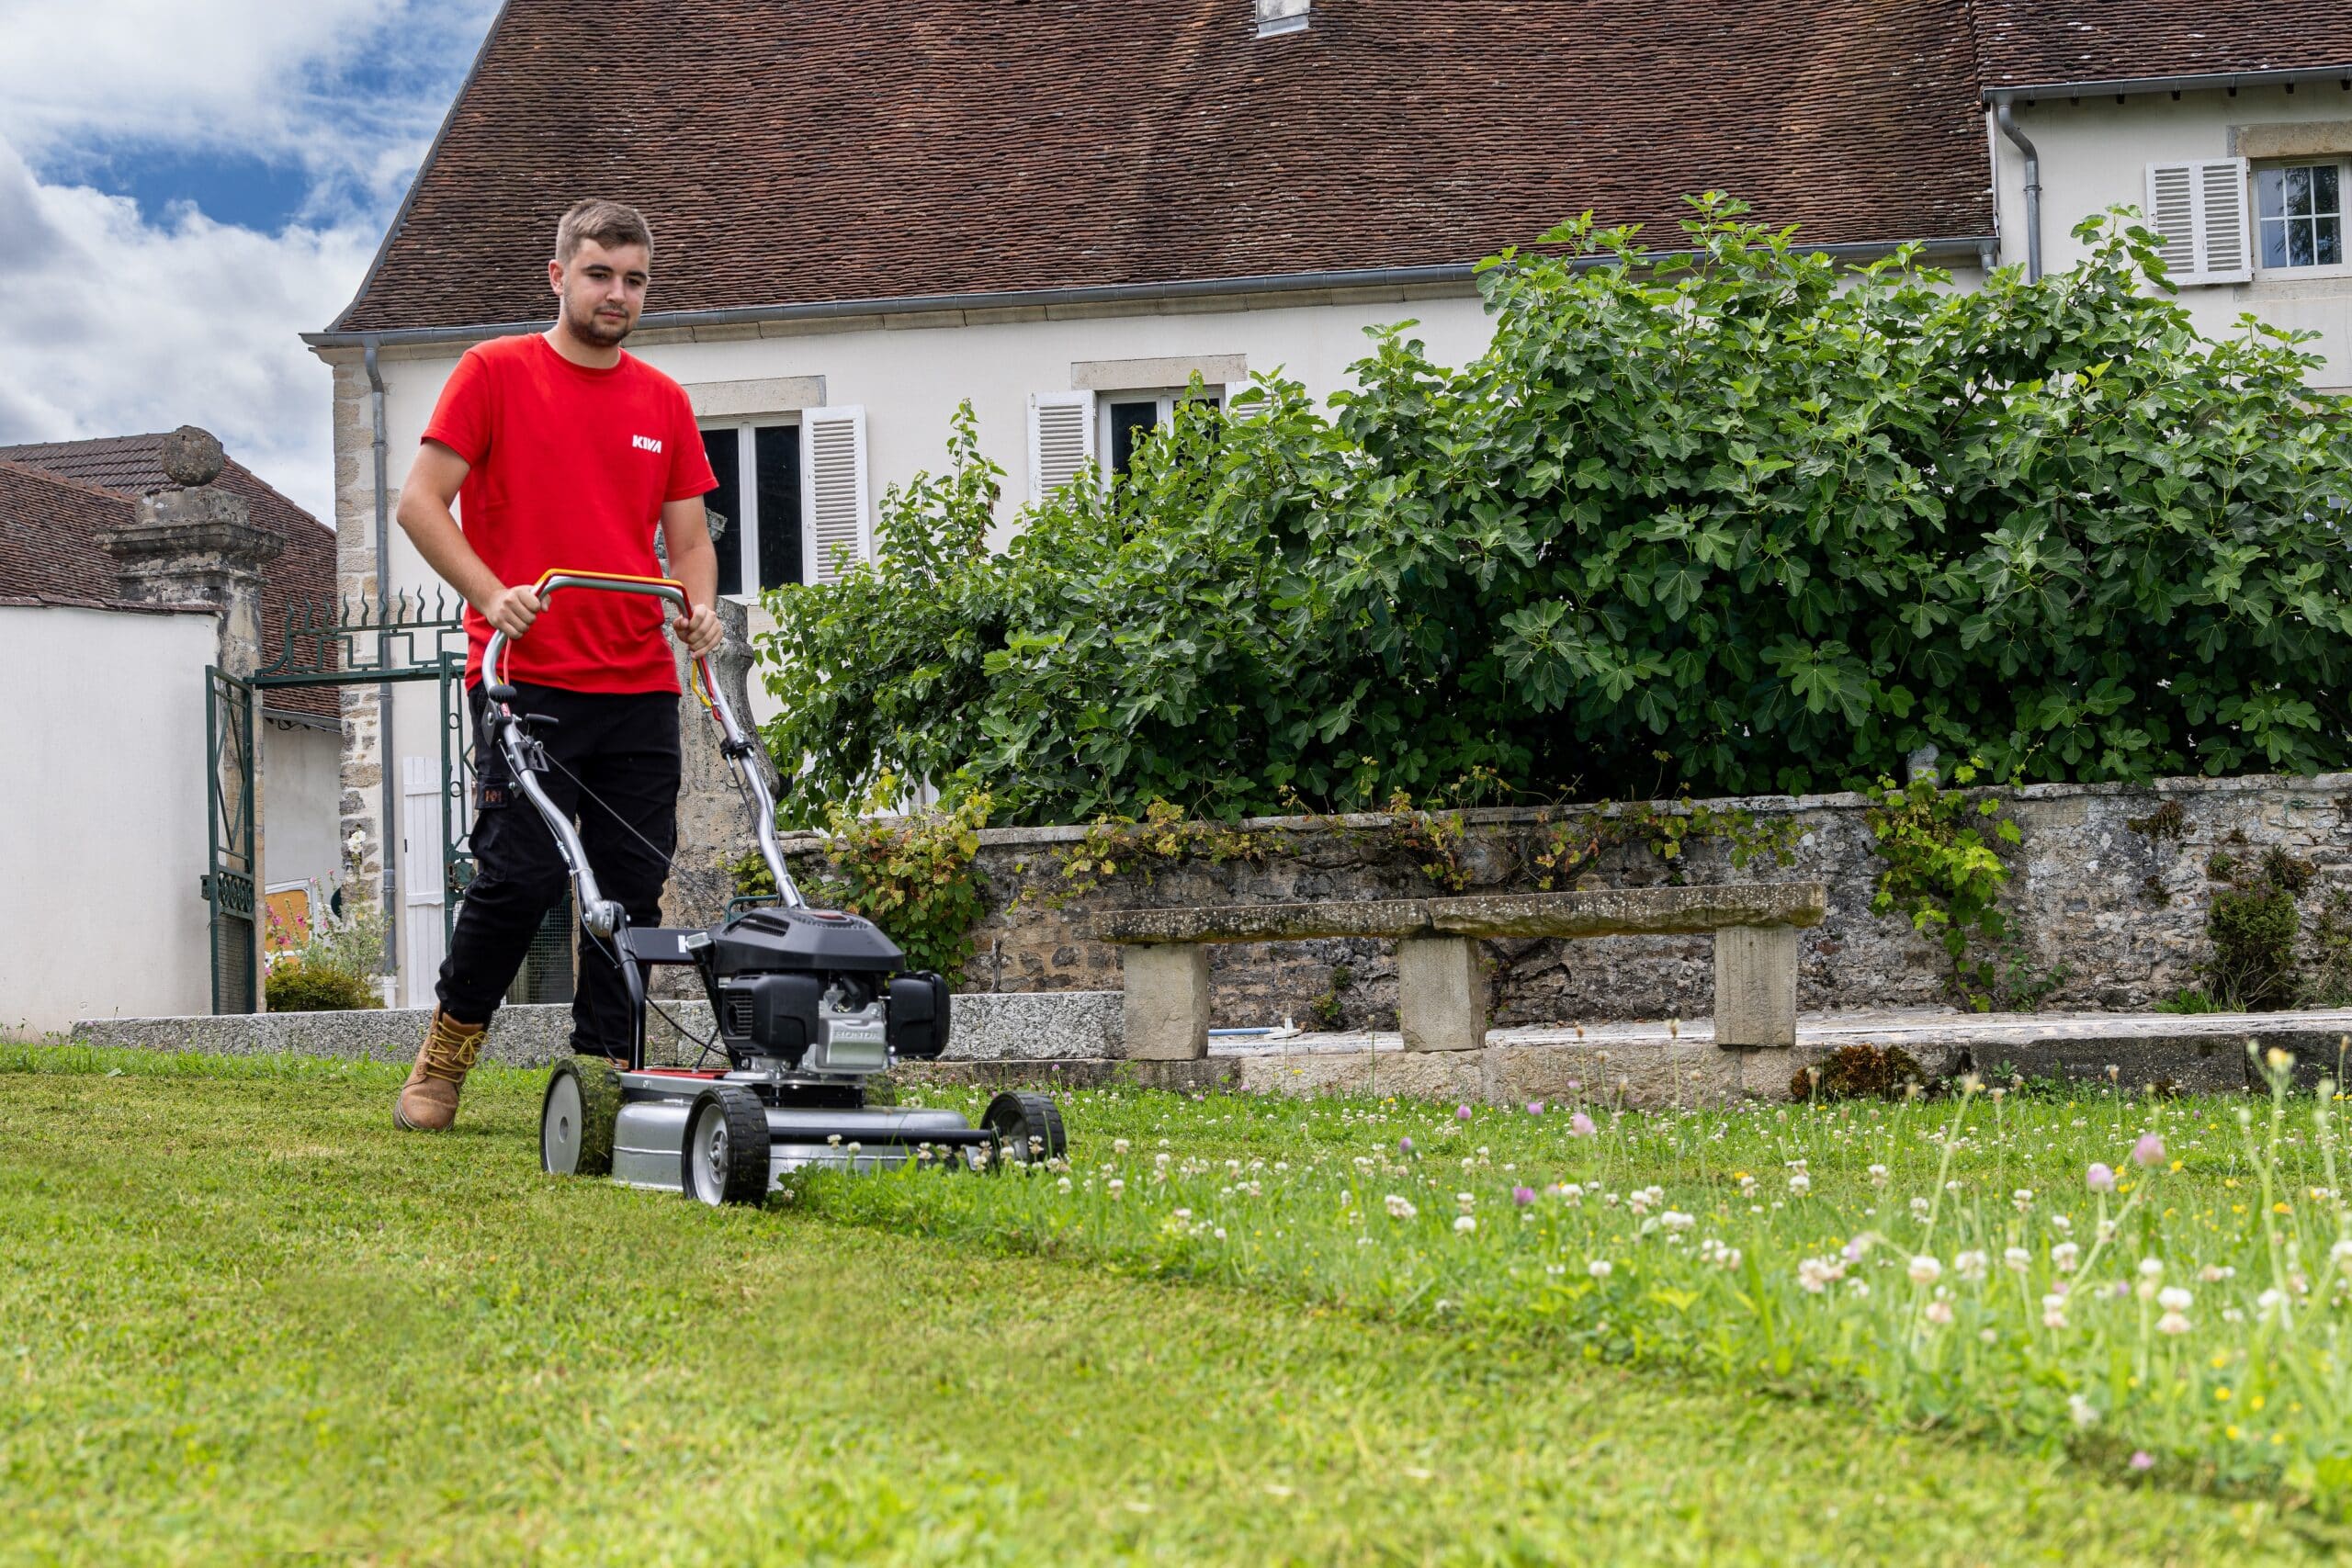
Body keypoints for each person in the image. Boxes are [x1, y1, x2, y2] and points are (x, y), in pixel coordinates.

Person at [390, 197, 721, 1132]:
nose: (618, 294)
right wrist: (492, 594)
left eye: (634, 280)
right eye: (599, 274)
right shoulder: (493, 373)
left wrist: (697, 608)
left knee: (629, 887)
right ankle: (445, 1056)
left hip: (638, 684)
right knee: (520, 876)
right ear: (558, 275)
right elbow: (420, 503)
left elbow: (689, 541)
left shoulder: (663, 402)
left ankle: (606, 1071)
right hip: (525, 677)